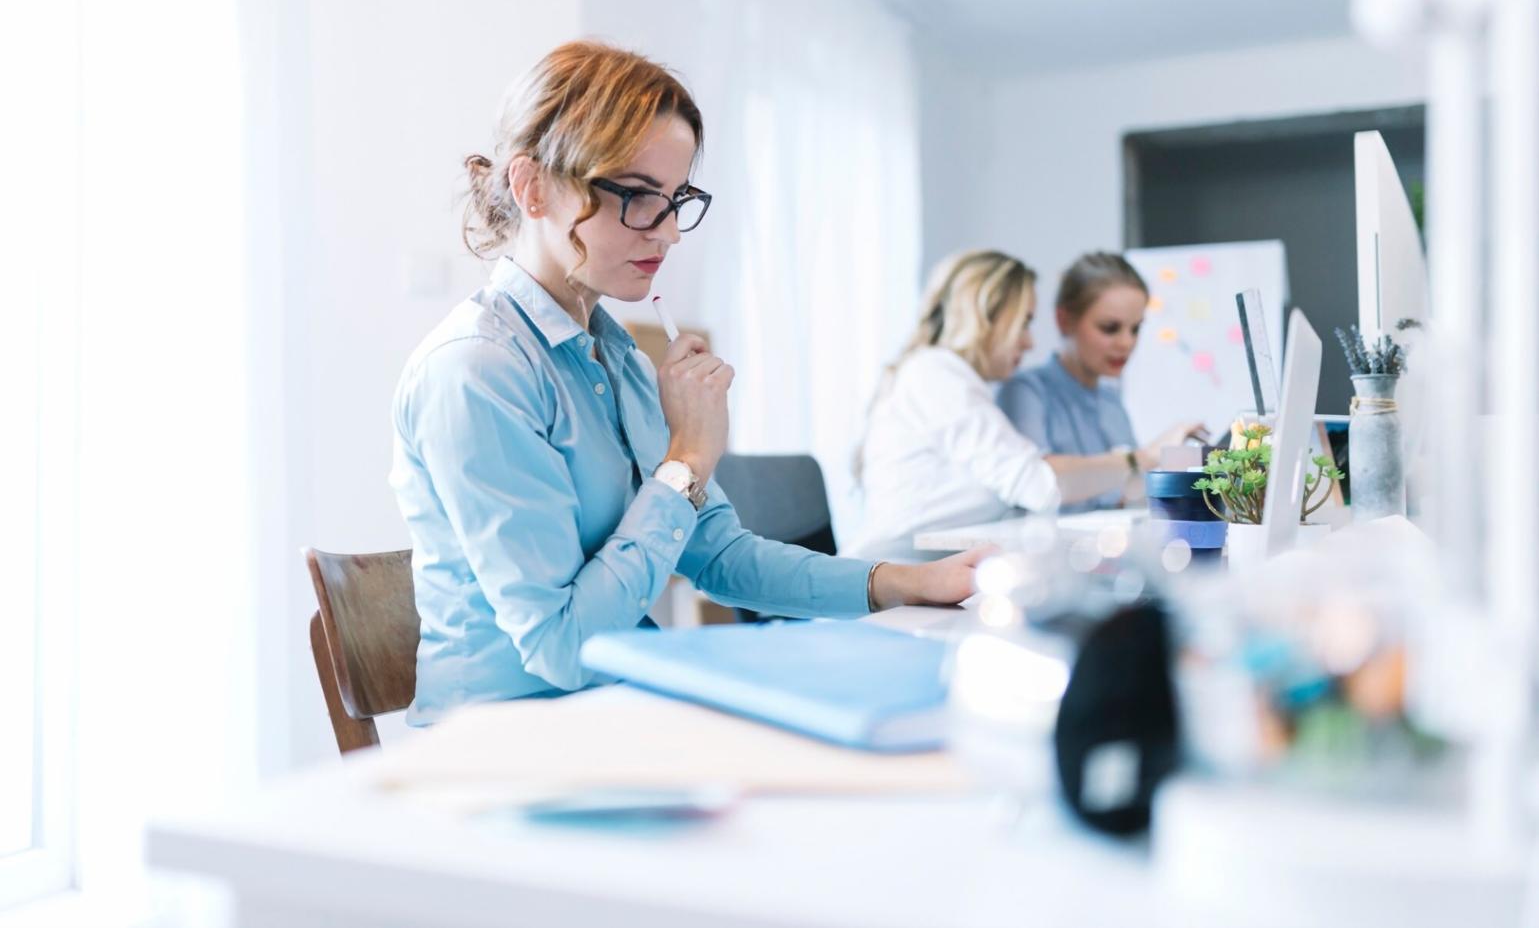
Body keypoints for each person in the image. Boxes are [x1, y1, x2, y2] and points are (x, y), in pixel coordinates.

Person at [389, 41, 986, 725]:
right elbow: (563, 648)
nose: (668, 233)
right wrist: (684, 463)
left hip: (614, 713)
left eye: (677, 201)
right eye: (639, 198)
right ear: (531, 188)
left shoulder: (613, 357)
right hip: (504, 745)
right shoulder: (476, 370)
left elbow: (721, 556)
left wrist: (909, 582)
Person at [852, 250, 1159, 561]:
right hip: (888, 582)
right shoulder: (934, 373)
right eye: (1023, 323)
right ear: (985, 319)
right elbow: (1039, 486)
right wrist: (1142, 460)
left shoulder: (959, 382)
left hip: (934, 574)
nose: (1029, 342)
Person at [998, 252, 1205, 513]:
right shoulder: (1024, 393)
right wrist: (1145, 457)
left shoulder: (1111, 401)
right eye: (1110, 328)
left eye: (1135, 329)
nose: (1126, 343)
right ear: (1064, 321)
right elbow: (1034, 486)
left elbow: (1126, 493)